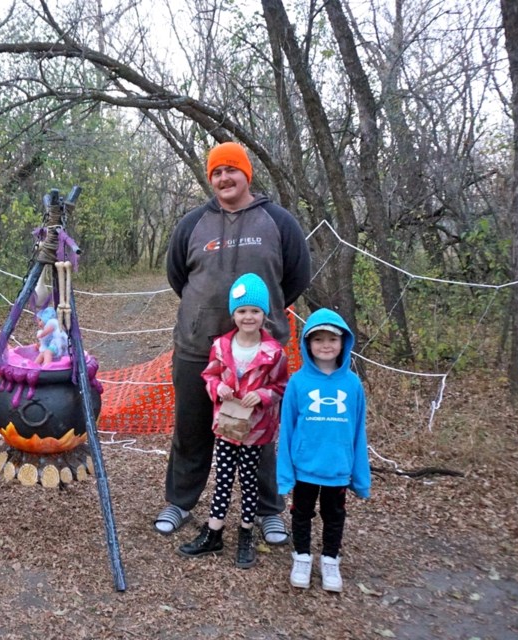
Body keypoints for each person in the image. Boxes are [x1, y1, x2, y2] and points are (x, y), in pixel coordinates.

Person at [154, 141, 311, 544]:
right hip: (197, 347)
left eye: (231, 170)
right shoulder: (192, 224)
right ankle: (180, 501)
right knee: (190, 429)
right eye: (216, 173)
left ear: (247, 173)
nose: (224, 178)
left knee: (259, 430)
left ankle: (267, 509)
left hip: (259, 356)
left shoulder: (278, 222)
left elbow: (294, 278)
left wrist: (260, 323)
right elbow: (178, 278)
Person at [177, 274, 288, 568]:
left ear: (264, 314)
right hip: (226, 426)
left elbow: (281, 386)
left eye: (255, 310)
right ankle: (213, 533)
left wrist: (263, 395)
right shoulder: (221, 346)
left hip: (255, 430)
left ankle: (246, 534)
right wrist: (218, 388)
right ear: (233, 314)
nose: (248, 317)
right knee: (223, 479)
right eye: (242, 311)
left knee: (249, 482)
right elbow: (209, 375)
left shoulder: (273, 352)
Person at [277, 308, 370, 592]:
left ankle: (330, 560)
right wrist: (284, 473)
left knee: (334, 515)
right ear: (307, 344)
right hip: (305, 466)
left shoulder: (352, 384)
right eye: (318, 339)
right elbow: (287, 429)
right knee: (301, 513)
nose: (326, 345)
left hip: (338, 470)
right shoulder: (298, 382)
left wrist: (360, 477)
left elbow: (358, 432)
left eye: (332, 339)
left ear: (344, 342)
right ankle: (302, 557)